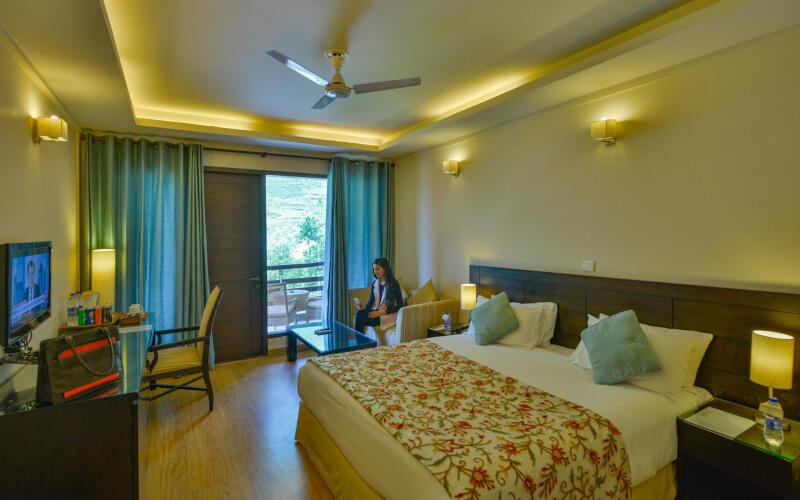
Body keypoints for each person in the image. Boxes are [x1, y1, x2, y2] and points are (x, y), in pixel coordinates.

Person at [354, 257, 403, 334]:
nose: (375, 271)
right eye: (374, 269)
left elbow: (400, 305)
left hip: (389, 314)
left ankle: (361, 341)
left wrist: (381, 313)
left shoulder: (394, 283)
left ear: (385, 269)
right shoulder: (375, 283)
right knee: (360, 313)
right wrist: (363, 307)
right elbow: (370, 302)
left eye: (378, 269)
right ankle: (361, 341)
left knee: (360, 319)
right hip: (378, 311)